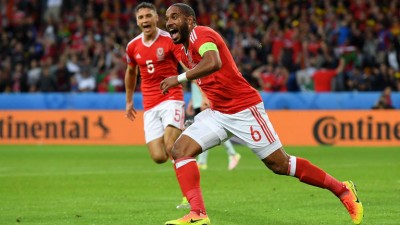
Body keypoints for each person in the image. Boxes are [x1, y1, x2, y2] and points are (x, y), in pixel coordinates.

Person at [160, 3, 364, 225]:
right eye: (167, 18)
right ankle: (198, 214)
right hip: (218, 112)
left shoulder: (202, 34)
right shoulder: (182, 47)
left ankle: (343, 189)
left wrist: (178, 79)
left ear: (190, 21)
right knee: (180, 150)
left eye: (175, 17)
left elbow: (214, 62)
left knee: (281, 165)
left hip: (244, 109)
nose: (169, 22)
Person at [124, 2, 189, 210]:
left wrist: (202, 91)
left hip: (172, 97)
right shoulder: (133, 46)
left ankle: (188, 197)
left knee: (172, 147)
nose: (145, 20)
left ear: (156, 18)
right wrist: (128, 101)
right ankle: (185, 130)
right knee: (159, 157)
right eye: (141, 17)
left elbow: (188, 66)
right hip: (150, 104)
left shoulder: (169, 40)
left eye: (148, 16)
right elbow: (131, 72)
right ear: (137, 21)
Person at [186, 81, 241, 170]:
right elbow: (196, 85)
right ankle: (231, 154)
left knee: (208, 130)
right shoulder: (193, 70)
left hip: (204, 102)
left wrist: (205, 98)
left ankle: (231, 154)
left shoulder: (198, 69)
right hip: (198, 102)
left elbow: (202, 84)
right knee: (206, 131)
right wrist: (192, 102)